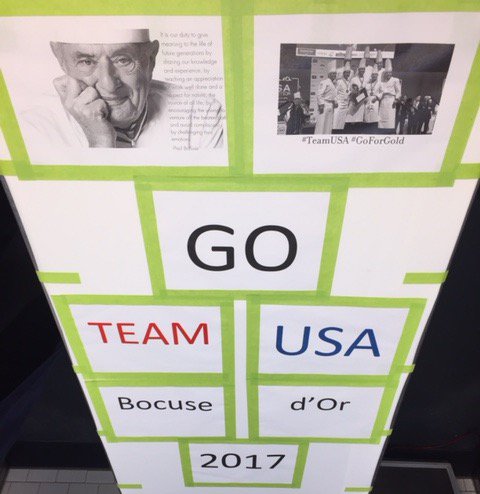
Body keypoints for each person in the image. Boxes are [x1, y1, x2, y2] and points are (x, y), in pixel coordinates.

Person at [20, 29, 223, 149]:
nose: (108, 84)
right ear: (61, 60)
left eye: (123, 60)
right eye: (86, 62)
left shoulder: (199, 114)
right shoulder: (34, 129)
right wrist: (101, 142)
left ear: (150, 59)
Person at [375, 58, 401, 133]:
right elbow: (376, 92)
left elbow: (398, 91)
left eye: (390, 73)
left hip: (391, 101)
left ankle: (390, 131)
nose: (388, 74)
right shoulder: (381, 82)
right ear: (385, 74)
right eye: (387, 73)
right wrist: (378, 96)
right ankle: (382, 131)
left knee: (390, 118)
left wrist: (396, 99)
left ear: (391, 73)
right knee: (382, 118)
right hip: (383, 101)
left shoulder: (395, 80)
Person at [314, 60, 337, 134]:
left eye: (335, 74)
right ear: (329, 74)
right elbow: (319, 94)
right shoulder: (324, 82)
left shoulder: (333, 84)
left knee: (328, 124)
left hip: (330, 105)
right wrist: (321, 104)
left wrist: (335, 102)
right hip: (324, 105)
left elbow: (333, 95)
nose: (334, 75)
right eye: (333, 73)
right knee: (322, 123)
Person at [332, 63, 351, 133]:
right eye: (346, 72)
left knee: (342, 122)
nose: (348, 74)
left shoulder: (349, 82)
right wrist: (335, 101)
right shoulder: (339, 81)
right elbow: (334, 92)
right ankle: (334, 133)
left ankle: (340, 133)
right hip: (339, 104)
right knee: (336, 120)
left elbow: (348, 92)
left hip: (346, 104)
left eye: (349, 73)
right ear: (343, 73)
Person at [363, 64, 380, 133]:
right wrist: (364, 99)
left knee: (374, 116)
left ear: (377, 75)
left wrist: (377, 97)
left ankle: (373, 131)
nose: (374, 76)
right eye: (373, 75)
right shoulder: (367, 83)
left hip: (374, 101)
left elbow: (382, 92)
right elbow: (364, 92)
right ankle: (366, 131)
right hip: (367, 101)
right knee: (367, 116)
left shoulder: (379, 83)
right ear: (371, 75)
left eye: (375, 75)